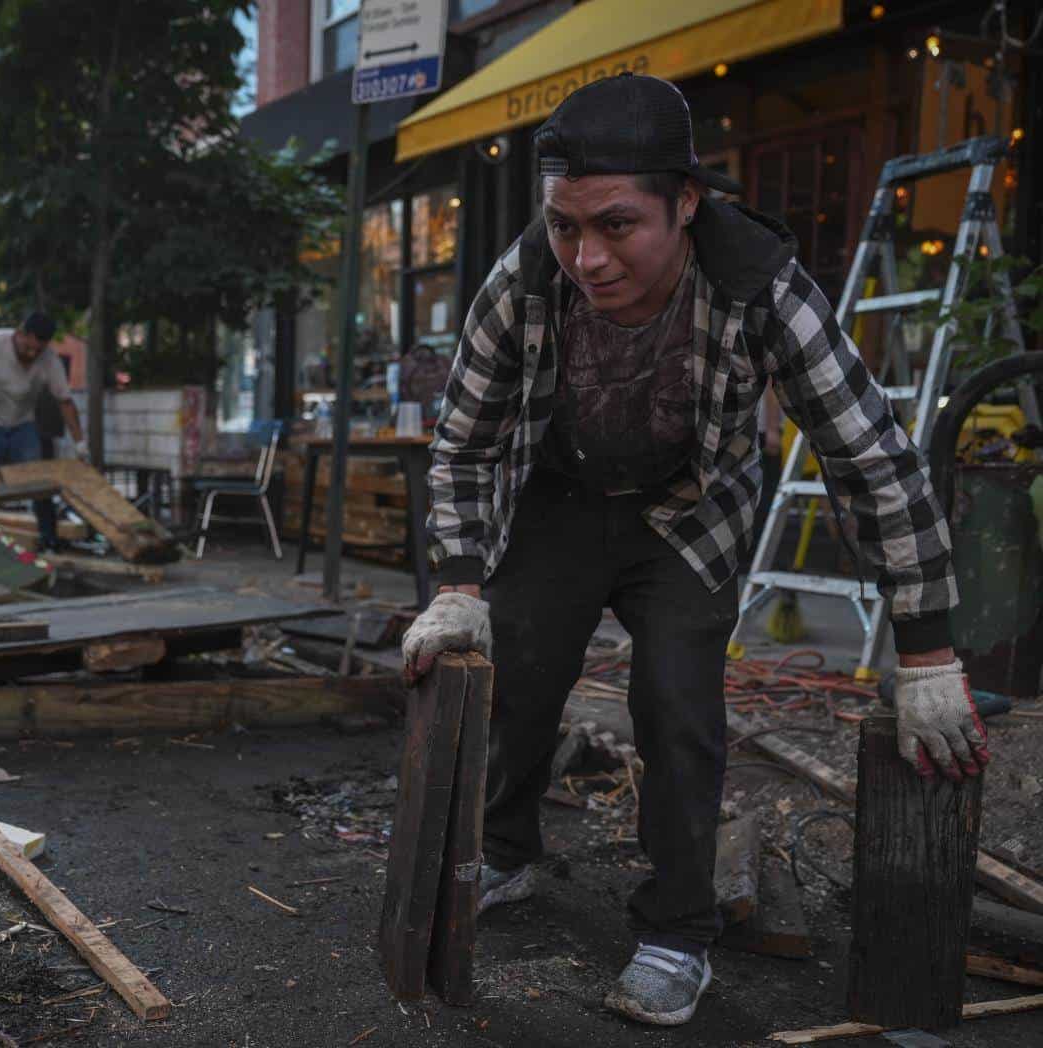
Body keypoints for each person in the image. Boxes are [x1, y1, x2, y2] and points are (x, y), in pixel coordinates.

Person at [402, 74, 988, 1028]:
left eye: (617, 226)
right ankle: (504, 851)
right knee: (523, 681)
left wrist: (927, 651)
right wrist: (461, 581)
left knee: (678, 704)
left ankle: (678, 930)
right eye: (563, 226)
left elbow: (870, 457)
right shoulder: (524, 281)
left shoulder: (764, 288)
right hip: (557, 498)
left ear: (685, 203)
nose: (586, 258)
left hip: (690, 513)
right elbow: (465, 440)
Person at [0, 312, 86, 550]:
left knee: (38, 485)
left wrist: (80, 442)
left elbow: (65, 401)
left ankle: (49, 537)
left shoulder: (49, 361)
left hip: (23, 426)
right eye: (27, 348)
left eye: (38, 351)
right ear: (20, 333)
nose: (32, 355)